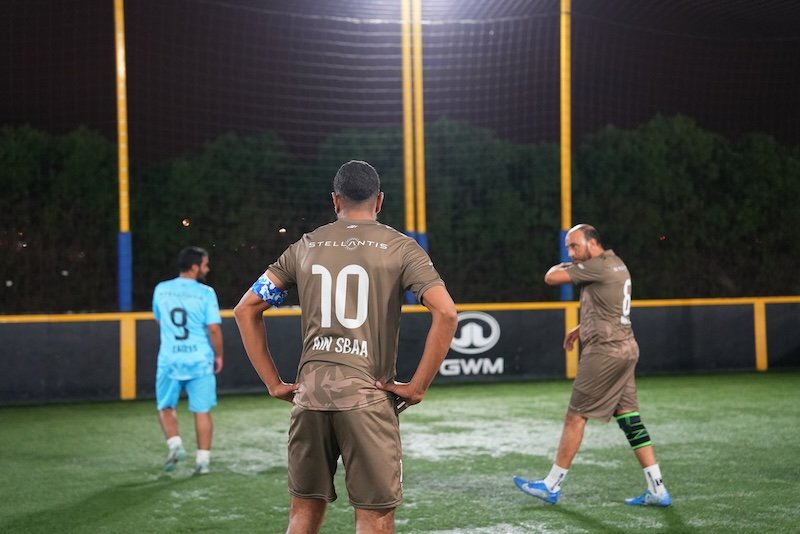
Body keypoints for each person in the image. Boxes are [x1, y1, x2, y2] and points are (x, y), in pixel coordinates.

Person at [234, 160, 457, 533]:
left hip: (309, 397)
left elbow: (246, 309)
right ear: (379, 201)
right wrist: (417, 387)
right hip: (367, 399)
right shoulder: (402, 248)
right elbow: (447, 314)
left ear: (335, 200)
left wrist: (274, 383)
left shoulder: (303, 247)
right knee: (375, 516)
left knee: (303, 513)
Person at [513, 224, 671, 507]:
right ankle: (657, 489)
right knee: (630, 419)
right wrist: (580, 327)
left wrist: (567, 265)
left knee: (575, 416)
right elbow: (609, 306)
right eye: (568, 248)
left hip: (605, 352)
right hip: (626, 348)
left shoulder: (596, 266)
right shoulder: (615, 262)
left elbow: (551, 277)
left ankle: (551, 485)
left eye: (574, 246)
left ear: (593, 243)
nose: (571, 253)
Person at [152, 246, 224, 475]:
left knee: (165, 406)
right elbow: (213, 329)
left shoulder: (161, 289)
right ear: (194, 267)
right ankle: (203, 462)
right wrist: (219, 354)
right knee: (202, 410)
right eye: (205, 265)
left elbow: (160, 320)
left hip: (170, 359)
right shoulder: (206, 293)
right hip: (199, 359)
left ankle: (175, 444)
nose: (207, 269)